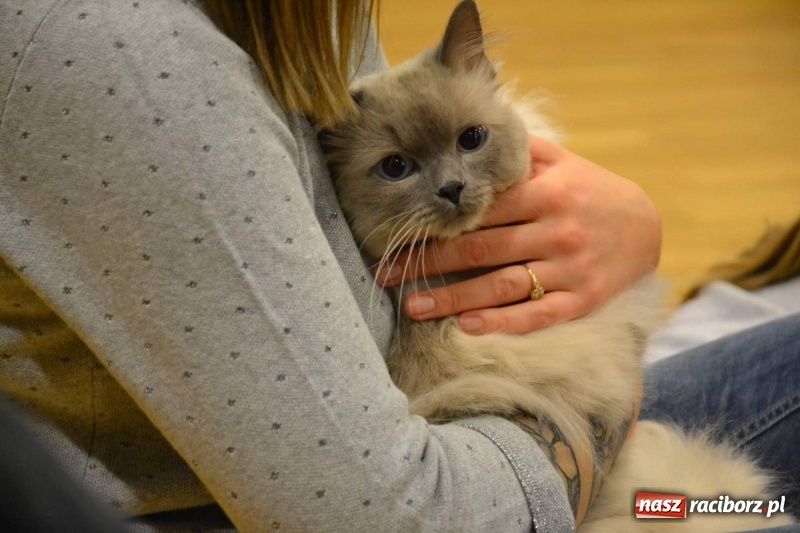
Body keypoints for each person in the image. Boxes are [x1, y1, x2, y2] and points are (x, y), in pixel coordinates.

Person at [0, 1, 795, 531]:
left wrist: (626, 226)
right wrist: (604, 406)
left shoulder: (304, 24)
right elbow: (392, 511)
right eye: (401, 170)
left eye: (472, 143)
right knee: (735, 506)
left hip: (548, 439)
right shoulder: (132, 67)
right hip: (497, 477)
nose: (450, 184)